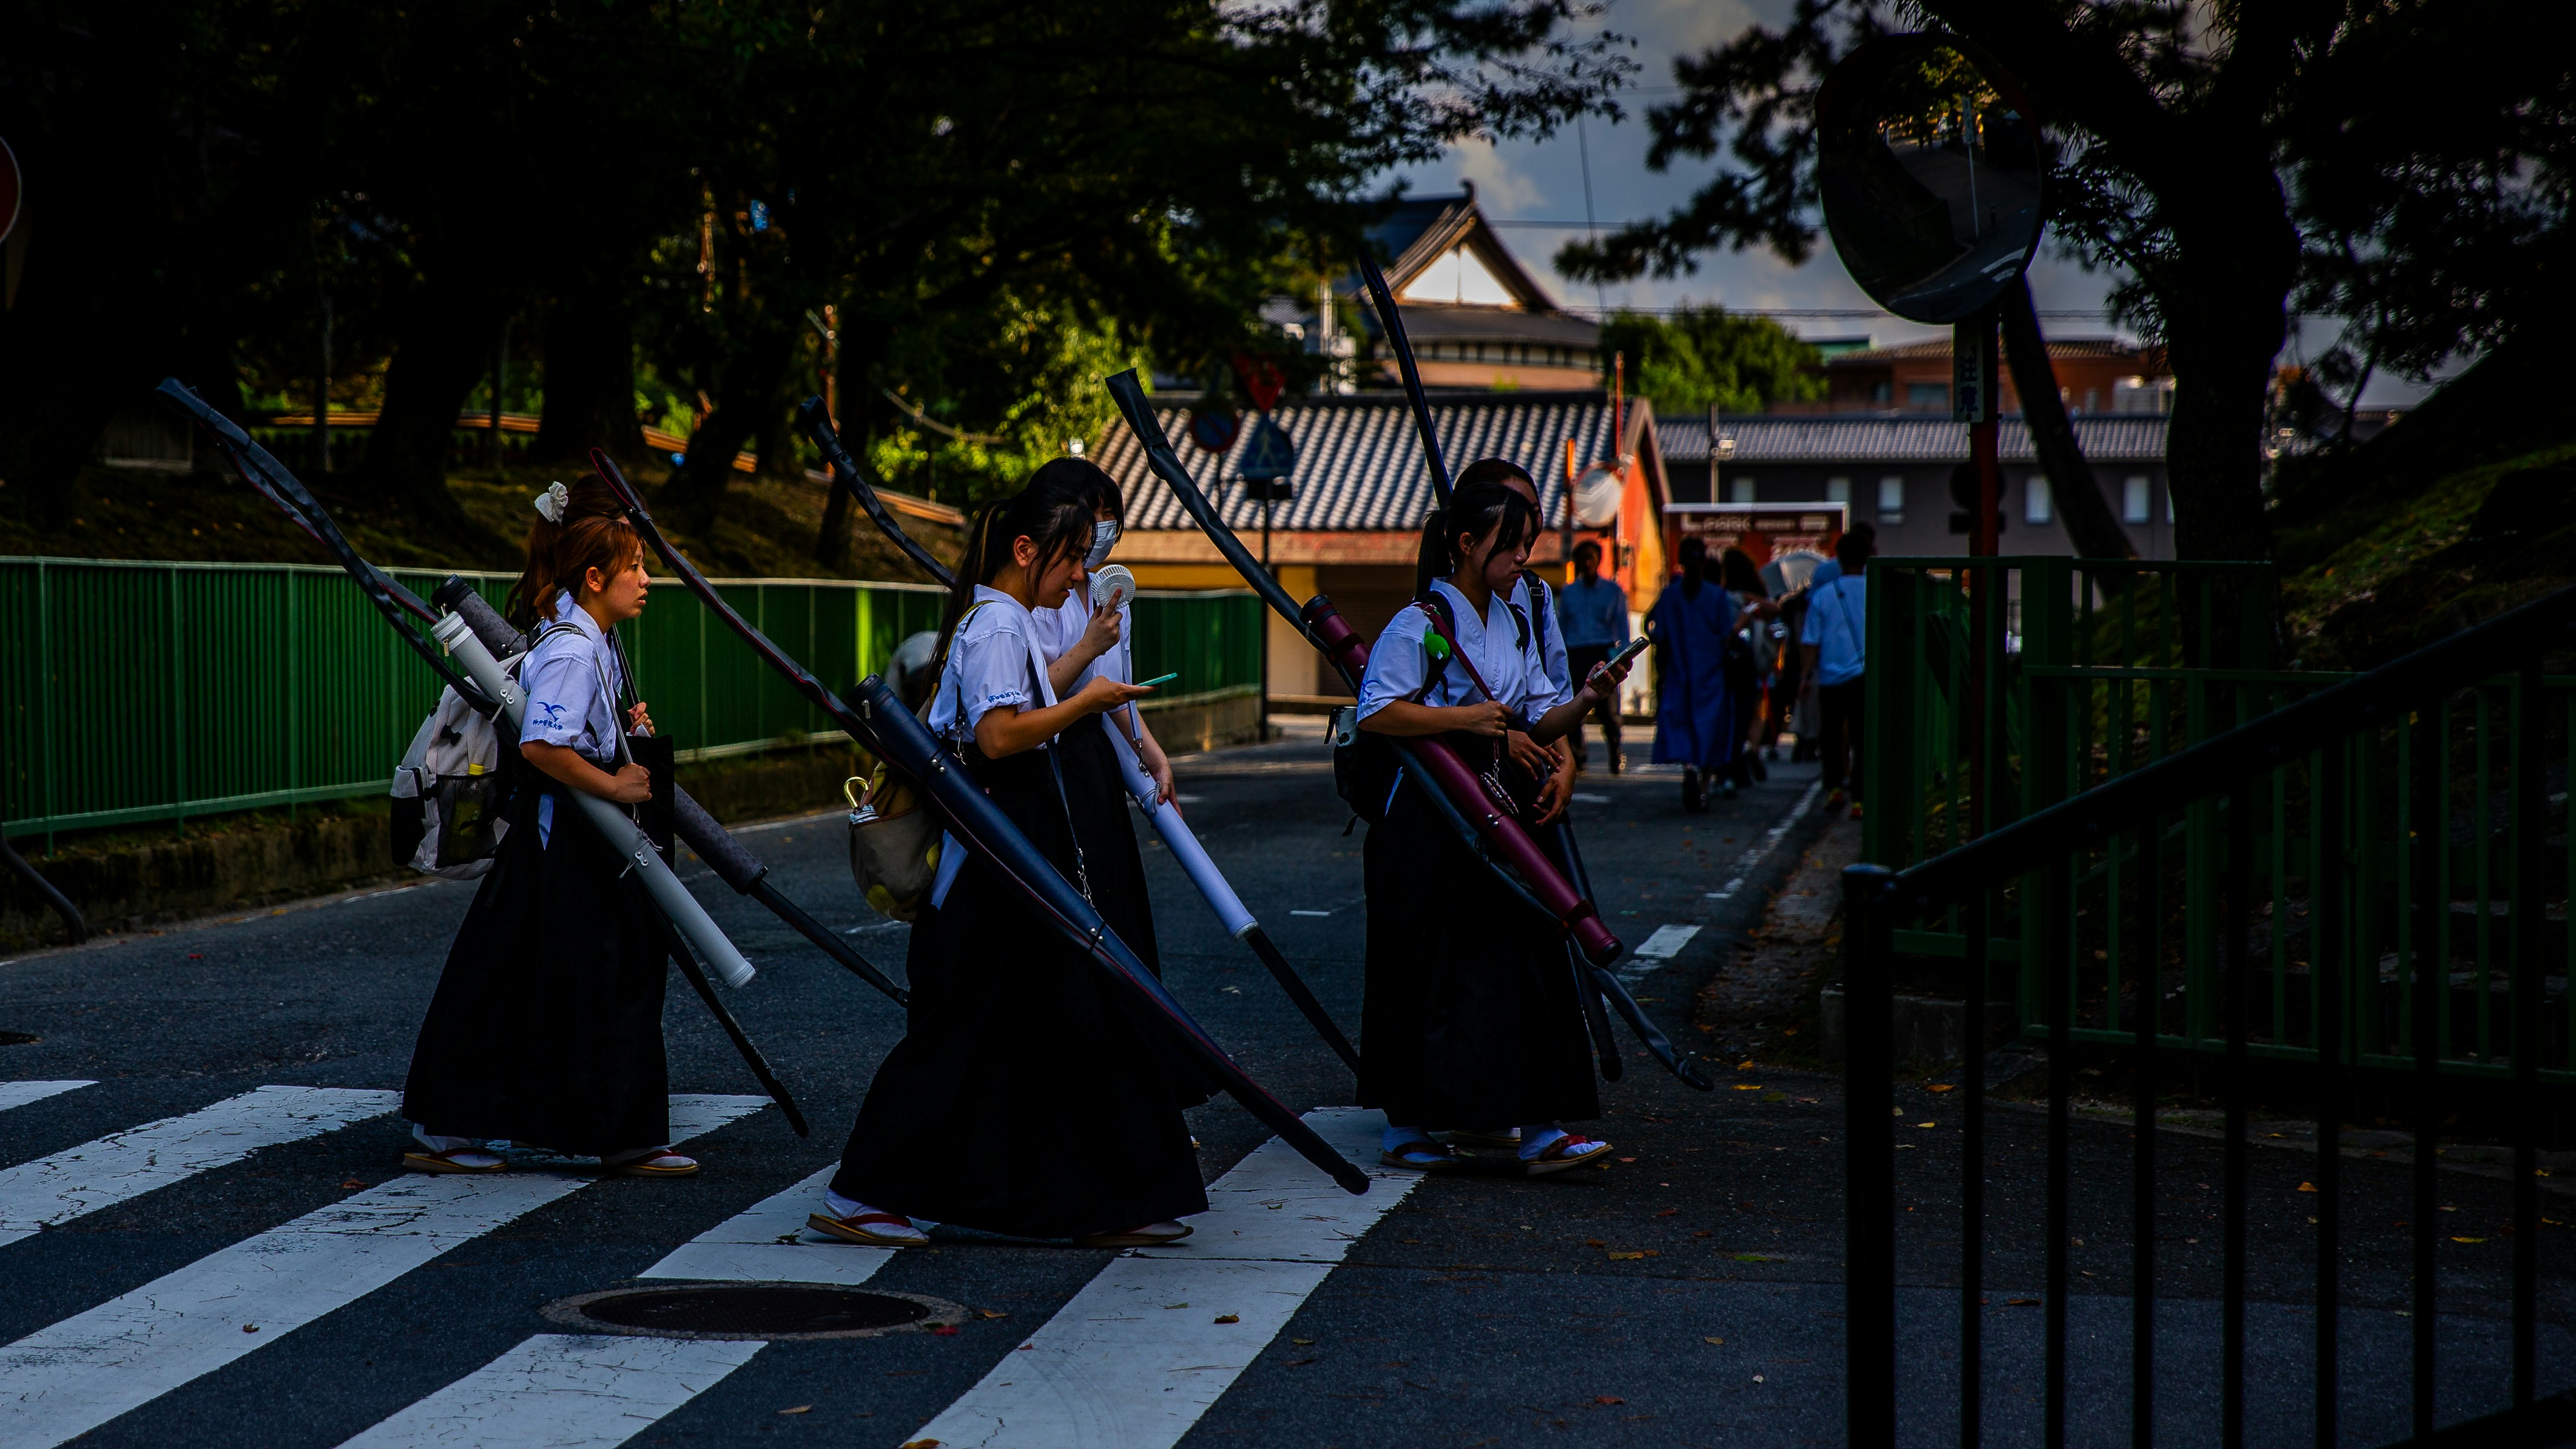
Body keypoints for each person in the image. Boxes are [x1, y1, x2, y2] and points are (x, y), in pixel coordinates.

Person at [812, 478, 1201, 1250]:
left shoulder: (1008, 619)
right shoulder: (994, 624)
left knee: (1044, 1023)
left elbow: (1020, 714)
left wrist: (1084, 674)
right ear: (1025, 552)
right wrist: (1088, 701)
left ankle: (1098, 1196)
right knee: (968, 1029)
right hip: (994, 850)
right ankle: (863, 1191)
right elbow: (997, 738)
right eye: (1068, 562)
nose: (1076, 579)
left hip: (1012, 841)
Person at [400, 481, 698, 1178]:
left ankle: (545, 1125)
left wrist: (624, 732)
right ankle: (598, 1131)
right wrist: (618, 780)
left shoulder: (587, 638)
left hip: (571, 837)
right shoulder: (573, 648)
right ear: (595, 578)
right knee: (594, 977)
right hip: (569, 838)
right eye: (636, 569)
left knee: (532, 978)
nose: (647, 581)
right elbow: (542, 746)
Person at [1354, 476, 1636, 1177]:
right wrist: (1463, 720)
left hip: (1502, 803)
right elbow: (1378, 712)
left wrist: (1589, 699)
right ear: (1465, 543)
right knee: (1433, 969)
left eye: (1525, 544)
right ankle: (1409, 1124)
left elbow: (1541, 717)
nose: (1520, 558)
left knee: (1527, 963)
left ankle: (1538, 1127)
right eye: (1508, 545)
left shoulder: (1512, 618)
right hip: (1434, 813)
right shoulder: (1419, 620)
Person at [1457, 456, 1571, 826]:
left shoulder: (1534, 593)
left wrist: (1565, 760)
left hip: (1529, 772)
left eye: (1532, 513)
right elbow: (1413, 710)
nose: (1524, 524)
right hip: (1462, 781)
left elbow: (1549, 691)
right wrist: (1493, 743)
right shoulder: (1433, 612)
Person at [1645, 536, 1739, 811]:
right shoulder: (1717, 596)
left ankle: (1688, 767)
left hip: (1679, 673)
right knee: (1712, 731)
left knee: (1681, 726)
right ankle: (1704, 789)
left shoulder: (1670, 596)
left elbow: (1658, 632)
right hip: (1711, 675)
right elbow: (1725, 635)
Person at [1803, 526, 1871, 819]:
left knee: (1830, 736)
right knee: (1863, 738)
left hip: (1831, 678)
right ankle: (1861, 800)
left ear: (1838, 559)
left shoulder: (1823, 596)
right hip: (1865, 676)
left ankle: (1834, 787)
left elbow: (1810, 641)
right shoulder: (1877, 589)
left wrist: (1805, 677)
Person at [1554, 538, 1631, 775]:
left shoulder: (1613, 591)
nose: (1587, 563)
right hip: (1576, 652)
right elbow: (1562, 626)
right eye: (1583, 559)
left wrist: (1622, 655)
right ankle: (1579, 758)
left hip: (1602, 651)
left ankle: (1615, 752)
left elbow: (1622, 625)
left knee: (1608, 710)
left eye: (1591, 558)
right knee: (1574, 705)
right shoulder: (1569, 592)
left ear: (1599, 561)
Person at [1718, 547, 1779, 791]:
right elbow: (1775, 611)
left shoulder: (1724, 597)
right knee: (1757, 710)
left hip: (1729, 661)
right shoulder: (1751, 596)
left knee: (1731, 712)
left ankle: (1733, 761)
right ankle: (1751, 747)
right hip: (1755, 659)